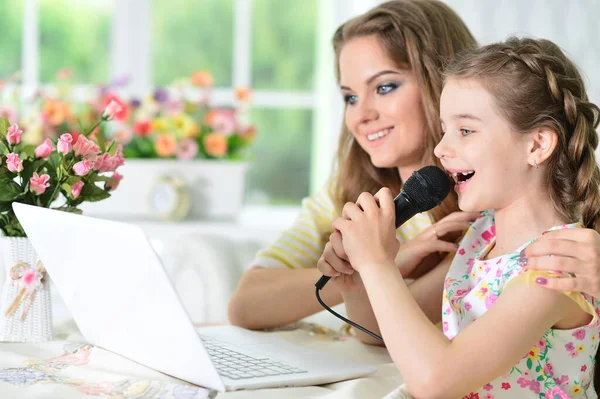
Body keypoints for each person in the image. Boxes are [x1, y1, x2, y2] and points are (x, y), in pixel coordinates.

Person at [227, 0, 600, 333]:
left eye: (385, 87)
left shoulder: (492, 207)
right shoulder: (349, 189)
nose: (362, 115)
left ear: (443, 83)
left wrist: (376, 266)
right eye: (350, 97)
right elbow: (247, 304)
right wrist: (374, 267)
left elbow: (433, 368)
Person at [325, 36, 600, 398]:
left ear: (536, 145)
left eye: (466, 130)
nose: (440, 149)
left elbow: (436, 381)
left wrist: (378, 265)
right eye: (444, 130)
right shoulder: (481, 237)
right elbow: (374, 330)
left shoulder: (555, 271)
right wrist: (359, 276)